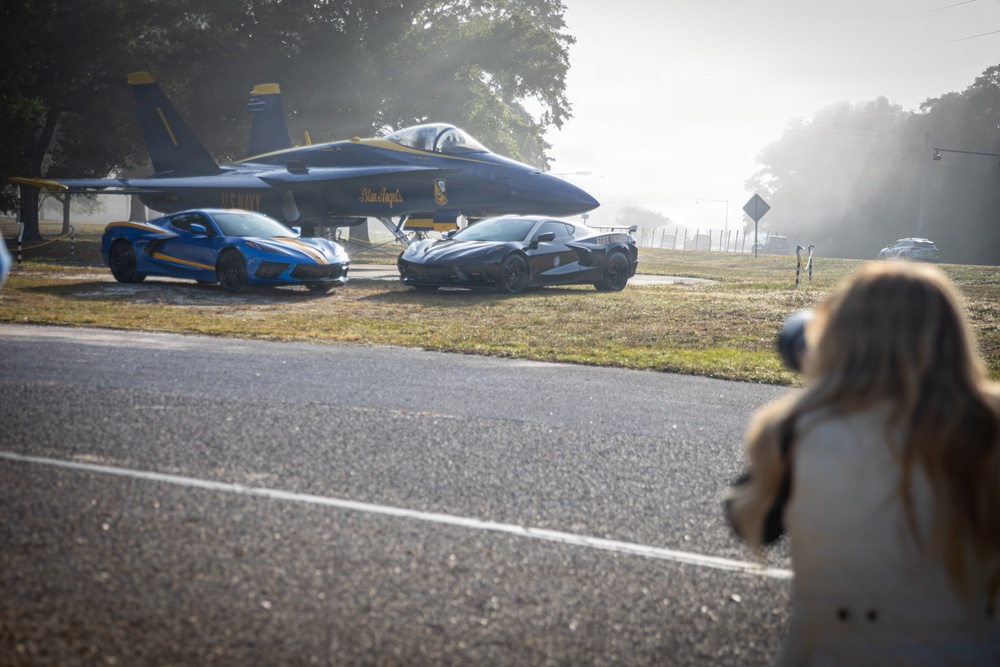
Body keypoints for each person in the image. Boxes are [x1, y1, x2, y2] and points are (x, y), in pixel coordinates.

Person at [727, 261, 1000, 665]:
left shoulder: (794, 430)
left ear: (840, 338)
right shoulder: (989, 427)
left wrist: (822, 376)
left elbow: (749, 521)